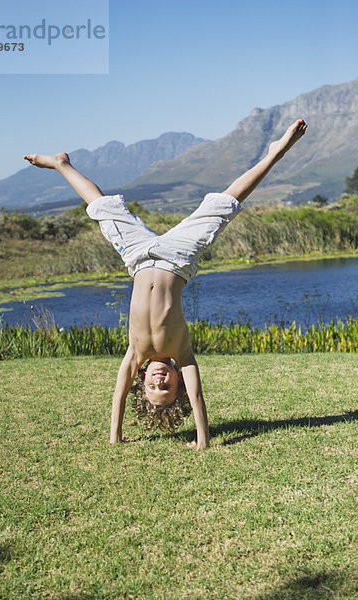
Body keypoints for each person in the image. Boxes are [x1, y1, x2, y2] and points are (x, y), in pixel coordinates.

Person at [24, 118, 307, 450]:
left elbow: (117, 395)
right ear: (178, 382)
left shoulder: (135, 354)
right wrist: (202, 441)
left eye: (153, 387)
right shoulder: (183, 354)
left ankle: (61, 164)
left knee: (102, 209)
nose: (160, 382)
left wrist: (115, 437)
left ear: (141, 381)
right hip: (177, 257)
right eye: (168, 387)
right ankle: (275, 154)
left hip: (138, 257)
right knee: (223, 206)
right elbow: (198, 397)